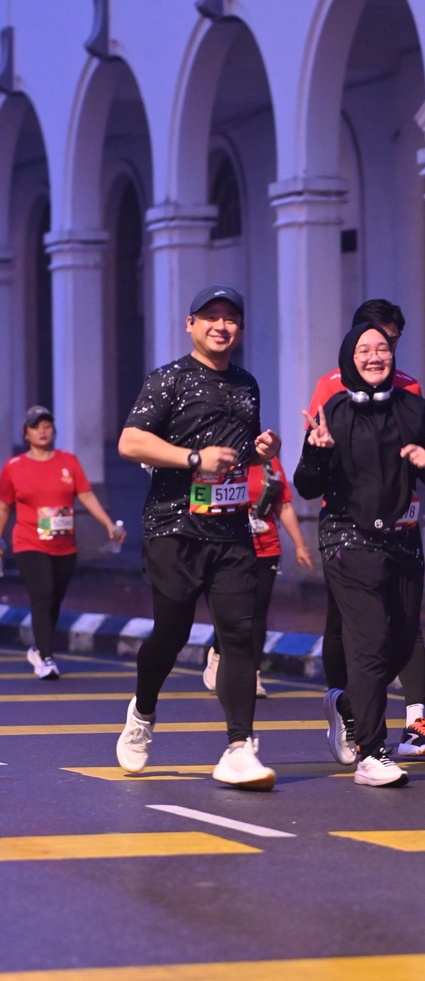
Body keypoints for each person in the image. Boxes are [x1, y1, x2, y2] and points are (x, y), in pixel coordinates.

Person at [116, 284, 280, 790]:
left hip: (231, 530)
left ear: (240, 329)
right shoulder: (168, 379)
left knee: (238, 636)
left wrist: (261, 450)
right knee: (172, 634)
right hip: (174, 528)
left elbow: (236, 452)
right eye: (210, 316)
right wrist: (193, 458)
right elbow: (130, 441)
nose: (220, 326)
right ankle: (142, 712)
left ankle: (239, 747)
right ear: (191, 324)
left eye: (230, 318)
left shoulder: (247, 384)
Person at [294, 322, 425, 787]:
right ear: (350, 358)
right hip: (348, 538)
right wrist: (317, 452)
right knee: (370, 643)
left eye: (381, 348)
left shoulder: (414, 408)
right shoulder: (333, 412)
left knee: (401, 644)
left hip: (402, 541)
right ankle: (371, 754)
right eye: (363, 350)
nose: (374, 357)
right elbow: (306, 485)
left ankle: (347, 704)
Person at [0, 405, 126, 679]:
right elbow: (4, 506)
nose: (42, 431)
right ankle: (46, 658)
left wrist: (108, 524)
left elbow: (86, 495)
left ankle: (38, 647)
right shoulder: (14, 467)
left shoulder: (68, 461)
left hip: (64, 545)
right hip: (29, 541)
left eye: (47, 426)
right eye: (36, 427)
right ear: (25, 434)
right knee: (43, 594)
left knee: (54, 599)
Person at [203, 456, 313, 696]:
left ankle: (252, 673)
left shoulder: (269, 462)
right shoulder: (223, 457)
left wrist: (300, 545)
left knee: (257, 612)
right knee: (230, 609)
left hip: (266, 548)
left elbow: (283, 505)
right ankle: (218, 656)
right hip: (229, 548)